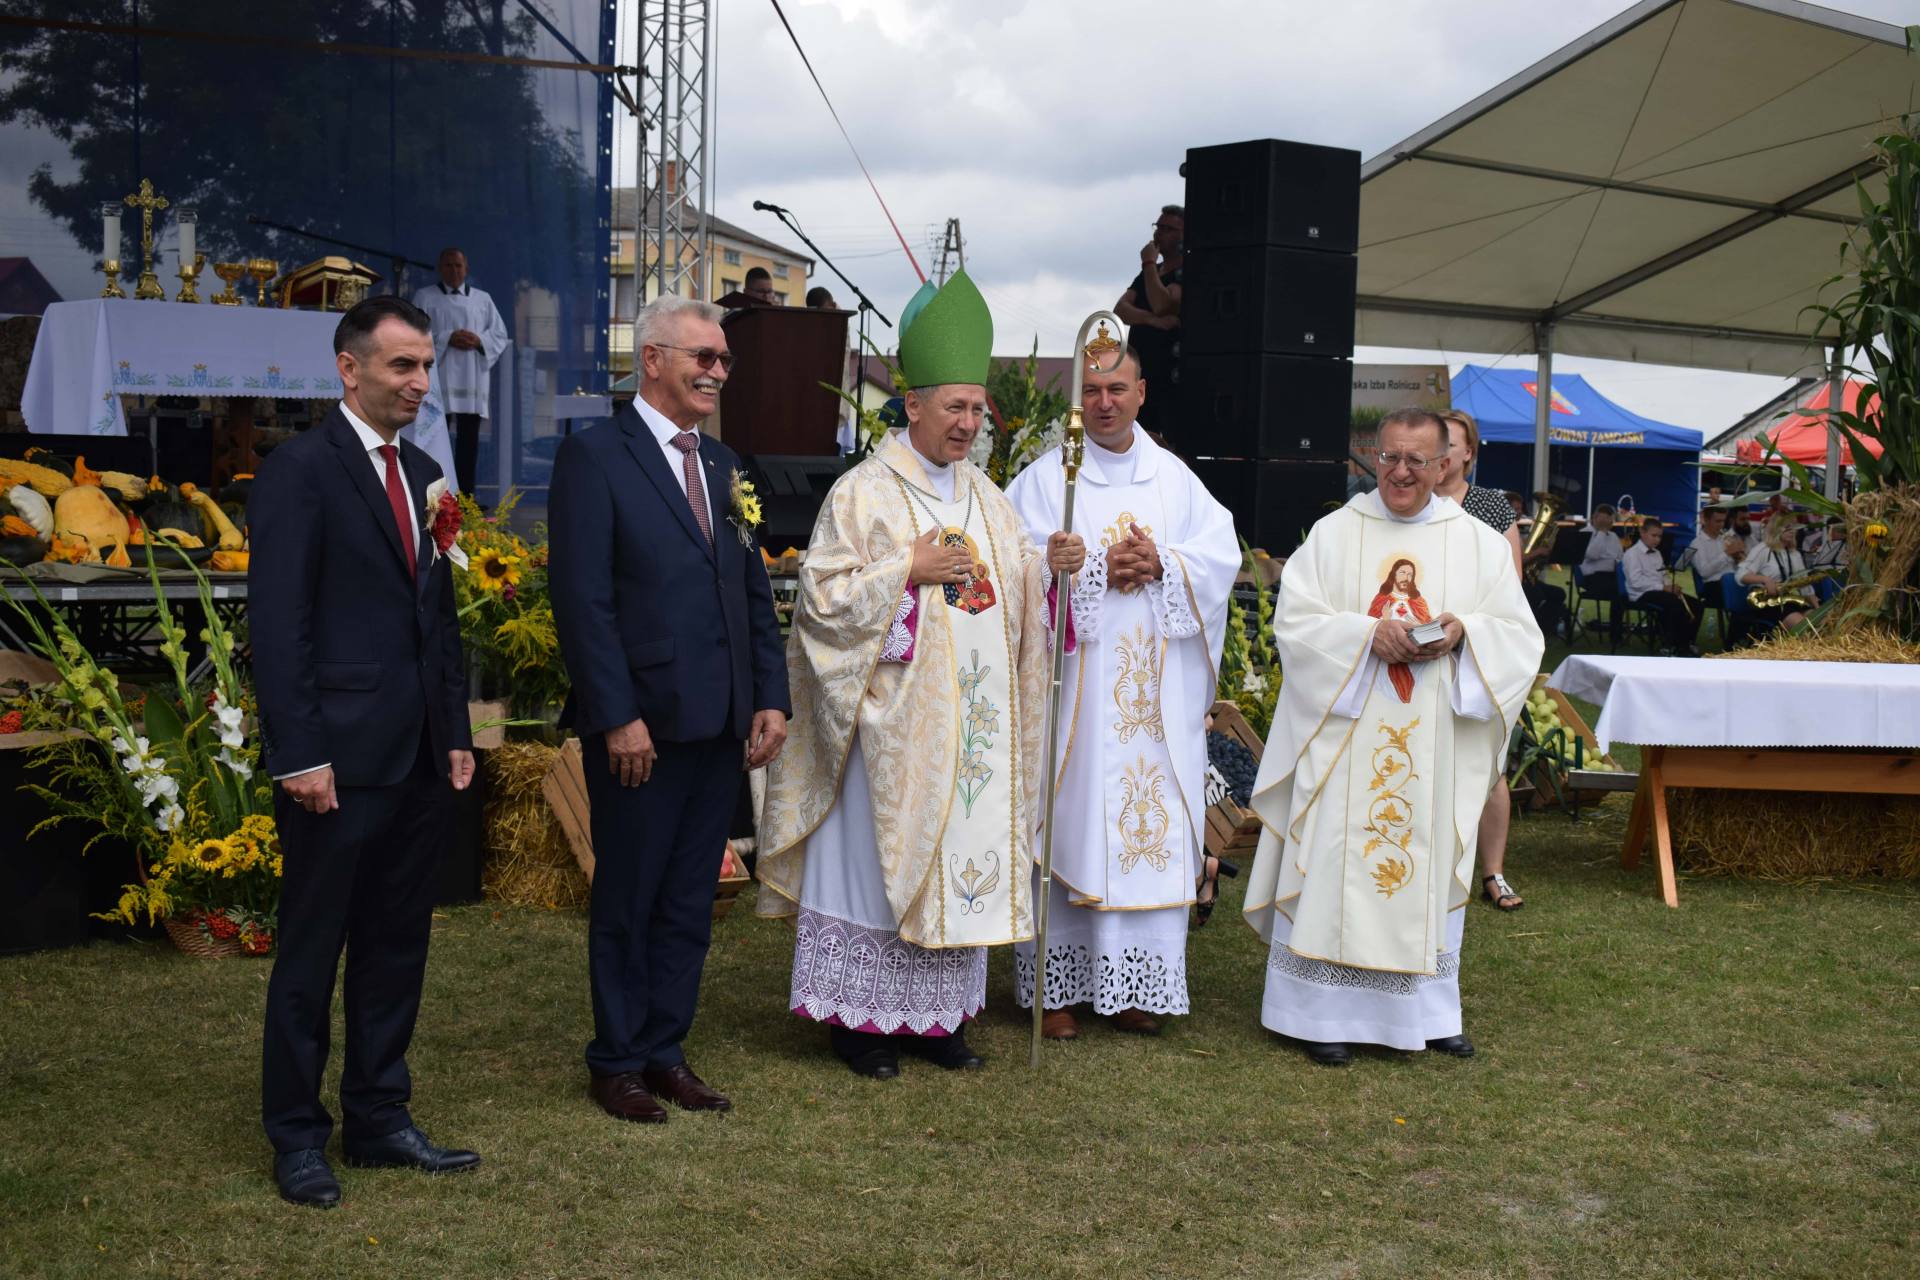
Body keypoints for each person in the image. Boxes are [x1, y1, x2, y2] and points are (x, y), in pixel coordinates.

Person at [756, 270, 1086, 1079]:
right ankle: (861, 1024)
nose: (970, 424)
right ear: (914, 407)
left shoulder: (988, 497)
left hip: (971, 723)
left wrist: (1051, 569)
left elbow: (1009, 590)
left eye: (978, 410)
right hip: (890, 723)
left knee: (959, 853)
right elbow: (823, 604)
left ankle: (940, 1021)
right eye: (956, 409)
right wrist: (905, 566)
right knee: (880, 864)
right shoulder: (863, 492)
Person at [249, 296, 478, 1208]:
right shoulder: (299, 472)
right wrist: (300, 752)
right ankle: (297, 1135)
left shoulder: (427, 473)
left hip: (418, 757)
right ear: (349, 369)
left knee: (395, 946)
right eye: (402, 367)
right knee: (312, 952)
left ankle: (380, 1118)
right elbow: (280, 624)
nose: (420, 383)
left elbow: (440, 616)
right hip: (334, 765)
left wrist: (454, 731)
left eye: (425, 367)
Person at [548, 296, 791, 1124]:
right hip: (640, 728)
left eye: (723, 360)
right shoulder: (595, 458)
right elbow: (582, 602)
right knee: (631, 895)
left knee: (691, 900)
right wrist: (617, 715)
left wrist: (770, 696)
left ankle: (665, 1050)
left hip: (718, 724)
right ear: (652, 358)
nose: (717, 372)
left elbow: (753, 590)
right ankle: (614, 1060)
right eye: (703, 357)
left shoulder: (724, 464)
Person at [1242, 407, 1543, 1067]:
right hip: (1347, 741)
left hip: (1434, 740)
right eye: (1389, 458)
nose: (1401, 472)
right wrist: (1361, 635)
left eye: (1417, 460)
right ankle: (1320, 1013)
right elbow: (1294, 624)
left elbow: (1520, 637)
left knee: (1427, 860)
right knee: (1337, 862)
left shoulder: (1479, 544)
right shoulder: (1334, 534)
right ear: (1371, 458)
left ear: (1446, 465)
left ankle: (1429, 1012)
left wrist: (1466, 633)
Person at [1004, 340, 1238, 1039]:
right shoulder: (1049, 479)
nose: (1105, 403)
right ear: (1078, 401)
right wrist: (1072, 567)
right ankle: (1059, 991)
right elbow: (1012, 562)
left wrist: (1163, 561)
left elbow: (1219, 556)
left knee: (1151, 829)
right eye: (1093, 391)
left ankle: (1135, 987)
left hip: (1155, 701)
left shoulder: (1174, 480)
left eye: (1118, 388)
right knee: (1070, 819)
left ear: (1141, 393)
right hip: (1076, 692)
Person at [1432, 409, 1528, 913]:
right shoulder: (1411, 503)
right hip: (1420, 652)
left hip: (1476, 650)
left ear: (1468, 452)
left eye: (1451, 442)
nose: (1441, 450)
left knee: (1488, 764)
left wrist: (1467, 625)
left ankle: (1492, 872)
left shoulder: (1490, 507)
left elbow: (1510, 586)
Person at [411, 248, 509, 496]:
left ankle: (467, 499)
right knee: (434, 438)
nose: (454, 271)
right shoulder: (425, 297)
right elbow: (413, 333)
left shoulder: (482, 299)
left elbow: (499, 334)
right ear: (440, 268)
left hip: (471, 380)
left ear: (466, 269)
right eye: (448, 265)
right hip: (438, 379)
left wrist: (478, 341)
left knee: (469, 442)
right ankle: (433, 495)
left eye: (458, 266)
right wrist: (446, 338)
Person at [1113, 205, 1183, 432]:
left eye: (1167, 228)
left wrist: (1149, 263)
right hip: (1141, 366)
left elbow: (1162, 304)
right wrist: (1152, 320)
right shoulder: (1149, 273)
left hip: (1167, 372)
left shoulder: (1182, 270)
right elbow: (1121, 309)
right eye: (1158, 226)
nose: (1159, 233)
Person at [1622, 522, 1703, 654]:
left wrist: (1670, 586)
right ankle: (1671, 644)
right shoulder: (1632, 554)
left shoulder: (1657, 553)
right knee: (1674, 604)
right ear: (1642, 533)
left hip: (1658, 590)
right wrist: (1663, 588)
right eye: (1653, 535)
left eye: (1659, 536)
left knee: (1697, 605)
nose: (1657, 540)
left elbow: (1663, 575)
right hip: (1641, 593)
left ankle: (1688, 641)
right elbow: (1635, 582)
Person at [1737, 518, 1814, 630]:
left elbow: (1805, 586)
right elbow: (1741, 575)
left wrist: (1817, 607)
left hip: (1792, 600)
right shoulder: (1763, 549)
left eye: (1794, 528)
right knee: (1802, 627)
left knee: (1818, 621)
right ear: (1775, 529)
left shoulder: (1795, 554)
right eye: (1787, 527)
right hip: (1770, 602)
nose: (1792, 531)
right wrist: (1765, 580)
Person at [1577, 504, 1626, 640]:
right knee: (1618, 593)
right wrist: (1602, 534)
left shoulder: (1614, 536)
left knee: (1626, 590)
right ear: (1594, 518)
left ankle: (1619, 629)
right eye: (1602, 518)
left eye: (1608, 519)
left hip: (1612, 576)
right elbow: (1592, 555)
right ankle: (1616, 635)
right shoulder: (1585, 533)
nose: (1605, 522)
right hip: (1592, 578)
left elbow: (1620, 558)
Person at [1682, 507, 1738, 584]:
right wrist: (1726, 554)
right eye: (1718, 521)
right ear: (1706, 520)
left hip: (1733, 580)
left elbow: (1733, 566)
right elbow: (1704, 572)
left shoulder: (1724, 539)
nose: (1721, 525)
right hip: (1715, 585)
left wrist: (1738, 556)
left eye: (1723, 521)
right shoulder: (1696, 543)